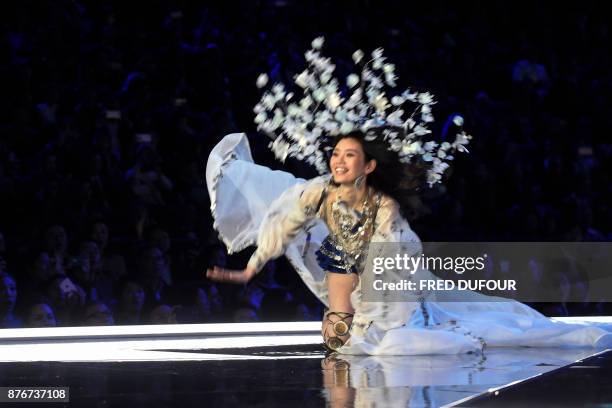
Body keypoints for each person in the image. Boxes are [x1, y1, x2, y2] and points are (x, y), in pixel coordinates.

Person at [205, 38, 612, 354]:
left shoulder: (382, 205)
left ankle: (383, 321)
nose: (338, 161)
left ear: (367, 166)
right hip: (355, 272)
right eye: (336, 155)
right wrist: (250, 268)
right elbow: (281, 224)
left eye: (349, 156)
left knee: (405, 323)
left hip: (389, 275)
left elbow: (391, 251)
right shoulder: (313, 192)